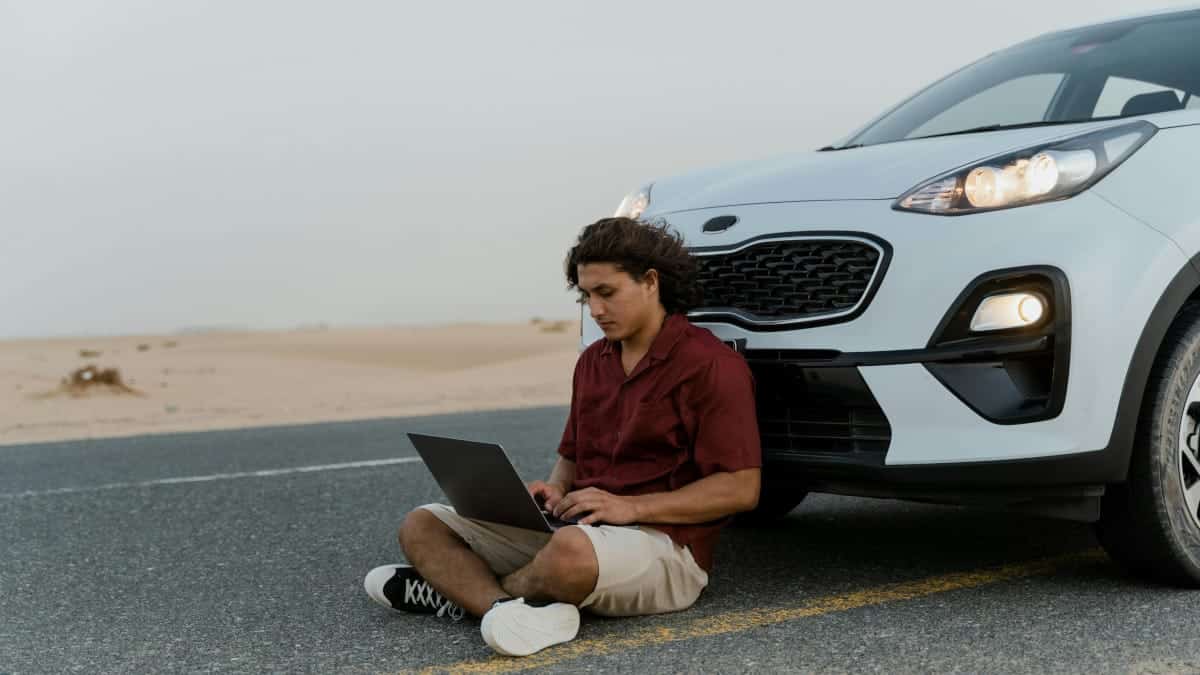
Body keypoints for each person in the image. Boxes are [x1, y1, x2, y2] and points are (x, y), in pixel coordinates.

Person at [363, 216, 762, 657]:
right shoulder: (593, 361)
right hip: (578, 527)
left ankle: (464, 592)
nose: (594, 310)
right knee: (423, 524)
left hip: (664, 547)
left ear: (651, 282)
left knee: (570, 552)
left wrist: (631, 506)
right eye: (585, 295)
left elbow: (741, 488)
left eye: (606, 293)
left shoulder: (710, 365)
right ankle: (502, 608)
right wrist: (554, 488)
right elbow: (571, 455)